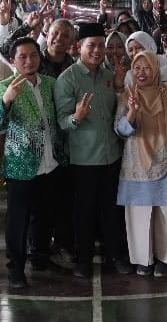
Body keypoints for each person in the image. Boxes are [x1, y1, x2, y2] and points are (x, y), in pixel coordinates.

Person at [0, 37, 68, 288]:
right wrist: (7, 101)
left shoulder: (50, 83)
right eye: (22, 57)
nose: (28, 60)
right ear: (13, 60)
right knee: (18, 220)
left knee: (46, 216)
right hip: (21, 166)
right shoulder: (4, 87)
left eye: (33, 55)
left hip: (51, 162)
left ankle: (40, 257)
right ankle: (16, 267)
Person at [54, 22, 128, 278]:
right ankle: (84, 260)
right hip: (83, 160)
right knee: (84, 212)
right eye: (91, 46)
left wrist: (119, 87)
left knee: (112, 210)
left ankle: (114, 256)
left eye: (101, 46)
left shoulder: (110, 76)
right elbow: (61, 123)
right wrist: (76, 117)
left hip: (112, 155)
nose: (97, 51)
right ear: (79, 48)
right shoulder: (67, 79)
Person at [115, 50, 167, 277]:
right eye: (137, 68)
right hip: (135, 165)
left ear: (156, 69)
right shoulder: (126, 96)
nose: (141, 72)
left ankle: (166, 259)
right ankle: (143, 259)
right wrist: (131, 113)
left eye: (146, 67)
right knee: (139, 214)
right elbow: (119, 131)